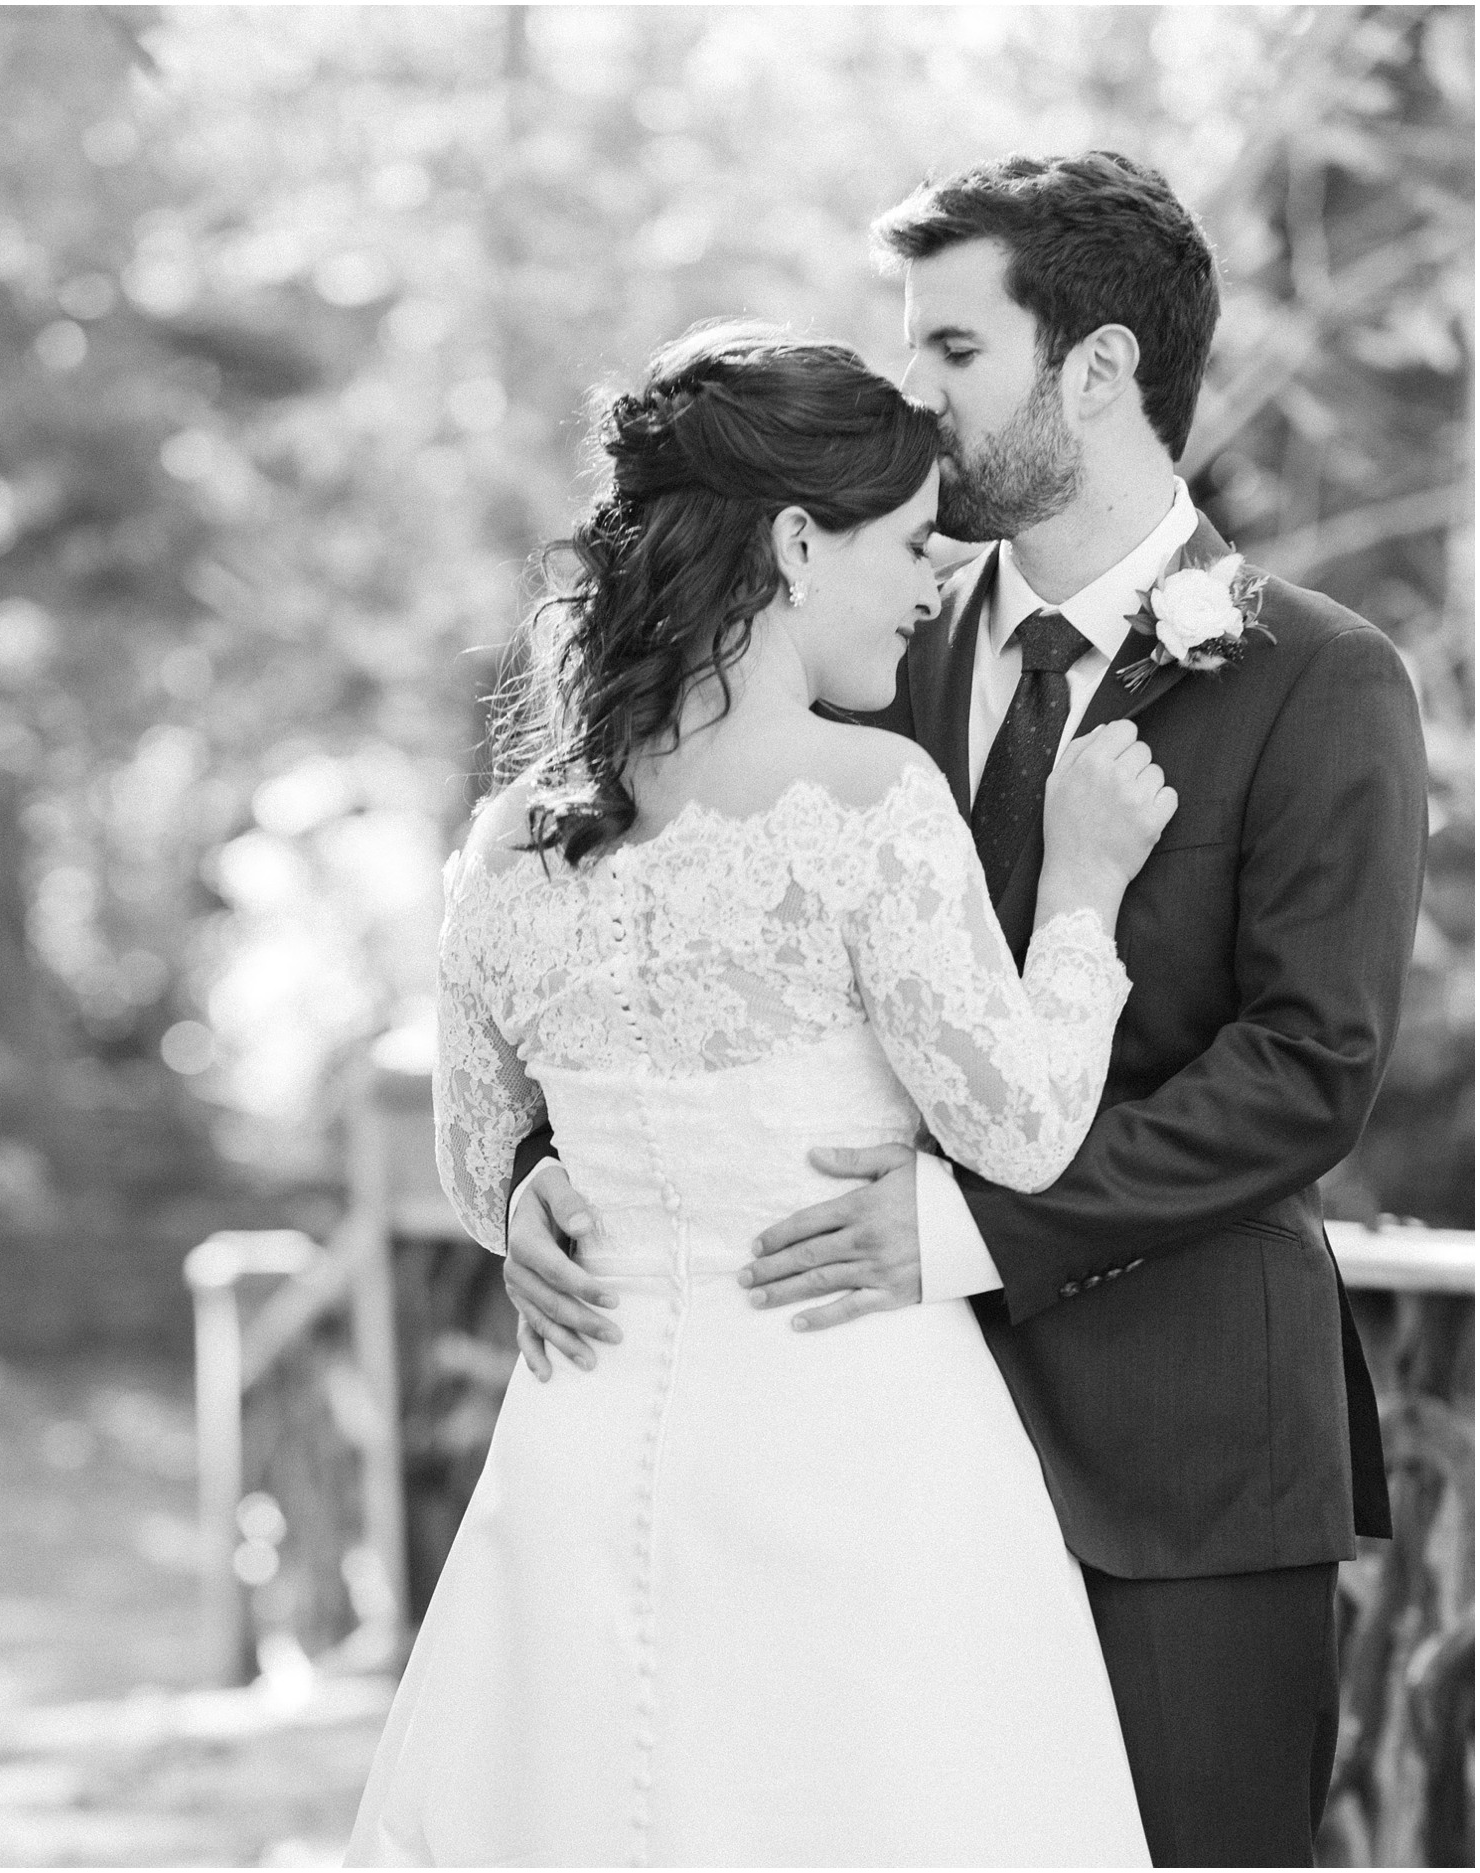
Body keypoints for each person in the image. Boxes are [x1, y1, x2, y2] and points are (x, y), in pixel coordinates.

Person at [506, 156, 1430, 1867]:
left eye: (952, 349)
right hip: (856, 1460)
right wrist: (546, 1165)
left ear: (1096, 372)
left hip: (1181, 1468)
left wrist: (962, 1225)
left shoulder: (1321, 677)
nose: (907, 396)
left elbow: (1311, 1071)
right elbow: (664, 930)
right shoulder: (851, 642)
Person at [346, 323, 1177, 1866]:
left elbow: (478, 1166)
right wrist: (1081, 885)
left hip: (586, 1452)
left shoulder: (518, 835)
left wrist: (535, 1190)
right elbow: (1023, 1125)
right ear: (798, 541)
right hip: (854, 1448)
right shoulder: (867, 801)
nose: (936, 583)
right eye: (915, 542)